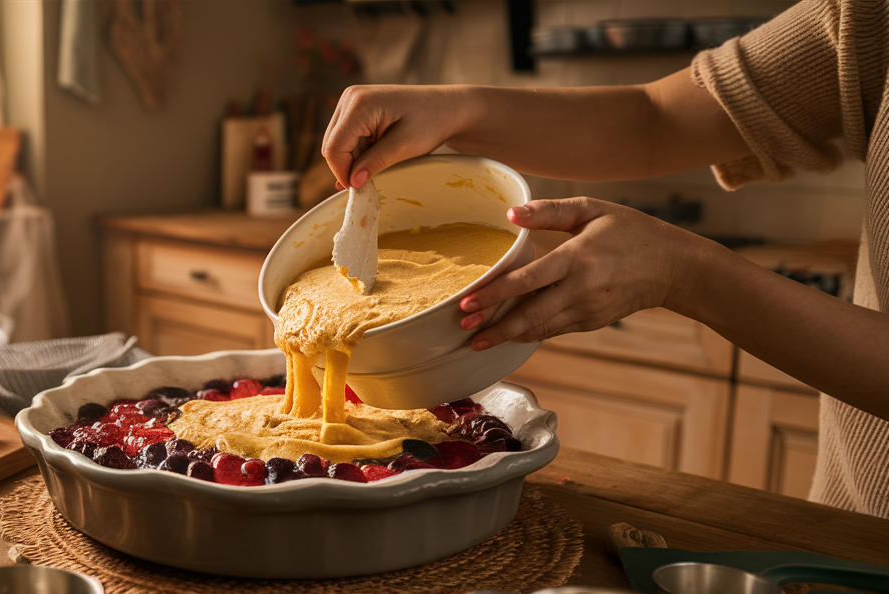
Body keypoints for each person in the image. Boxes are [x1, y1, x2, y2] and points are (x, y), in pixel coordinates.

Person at [321, 1, 889, 517]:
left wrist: (683, 270)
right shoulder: (870, 16)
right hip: (847, 515)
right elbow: (655, 118)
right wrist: (459, 110)